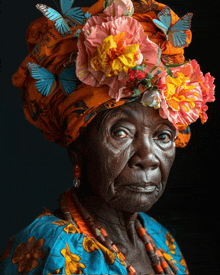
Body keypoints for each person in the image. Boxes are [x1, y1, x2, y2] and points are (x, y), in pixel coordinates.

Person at [0, 0, 215, 274]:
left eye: (162, 136)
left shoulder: (161, 241)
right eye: (121, 132)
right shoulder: (49, 249)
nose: (147, 158)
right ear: (77, 147)